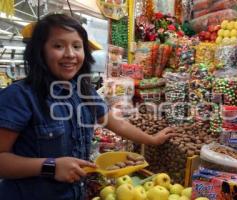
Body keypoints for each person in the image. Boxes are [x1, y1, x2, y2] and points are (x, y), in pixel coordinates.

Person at [0, 13, 176, 200]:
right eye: (58, 46)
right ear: (40, 51)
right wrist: (50, 166)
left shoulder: (83, 91)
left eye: (77, 46)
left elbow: (117, 124)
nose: (70, 54)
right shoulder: (20, 96)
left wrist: (152, 140)